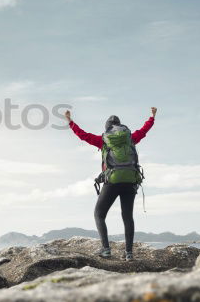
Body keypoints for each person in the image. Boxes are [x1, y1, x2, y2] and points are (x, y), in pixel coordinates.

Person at [64, 107, 157, 261]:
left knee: (99, 214)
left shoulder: (104, 140)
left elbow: (83, 136)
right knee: (127, 216)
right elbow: (144, 130)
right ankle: (128, 254)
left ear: (107, 128)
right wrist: (152, 117)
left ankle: (106, 250)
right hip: (130, 181)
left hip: (112, 181)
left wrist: (70, 121)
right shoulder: (131, 138)